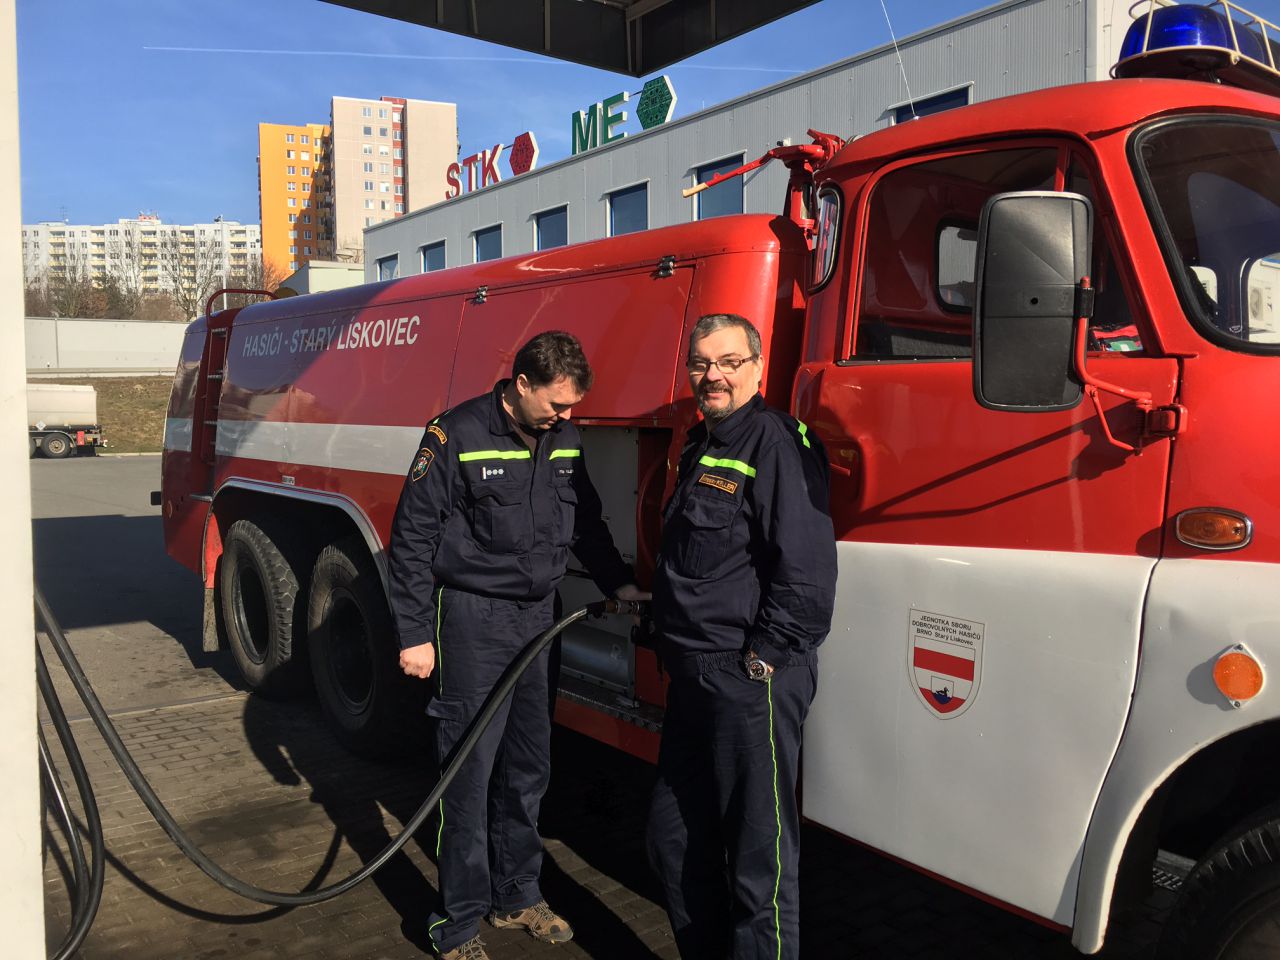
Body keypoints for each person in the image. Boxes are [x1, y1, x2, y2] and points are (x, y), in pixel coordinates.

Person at [388, 331, 647, 960]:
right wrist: (415, 633)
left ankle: (516, 896)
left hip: (539, 619)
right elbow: (413, 537)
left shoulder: (564, 438)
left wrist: (617, 581)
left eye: (572, 406)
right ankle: (456, 923)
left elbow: (585, 522)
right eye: (557, 403)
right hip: (473, 620)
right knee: (468, 772)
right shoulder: (455, 434)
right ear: (521, 384)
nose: (565, 415)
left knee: (529, 767)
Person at [647, 313, 836, 959]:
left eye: (729, 362)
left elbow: (807, 573)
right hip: (694, 676)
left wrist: (762, 662)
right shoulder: (703, 443)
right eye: (702, 363)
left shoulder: (777, 444)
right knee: (672, 838)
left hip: (745, 678)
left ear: (757, 367)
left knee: (761, 864)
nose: (713, 376)